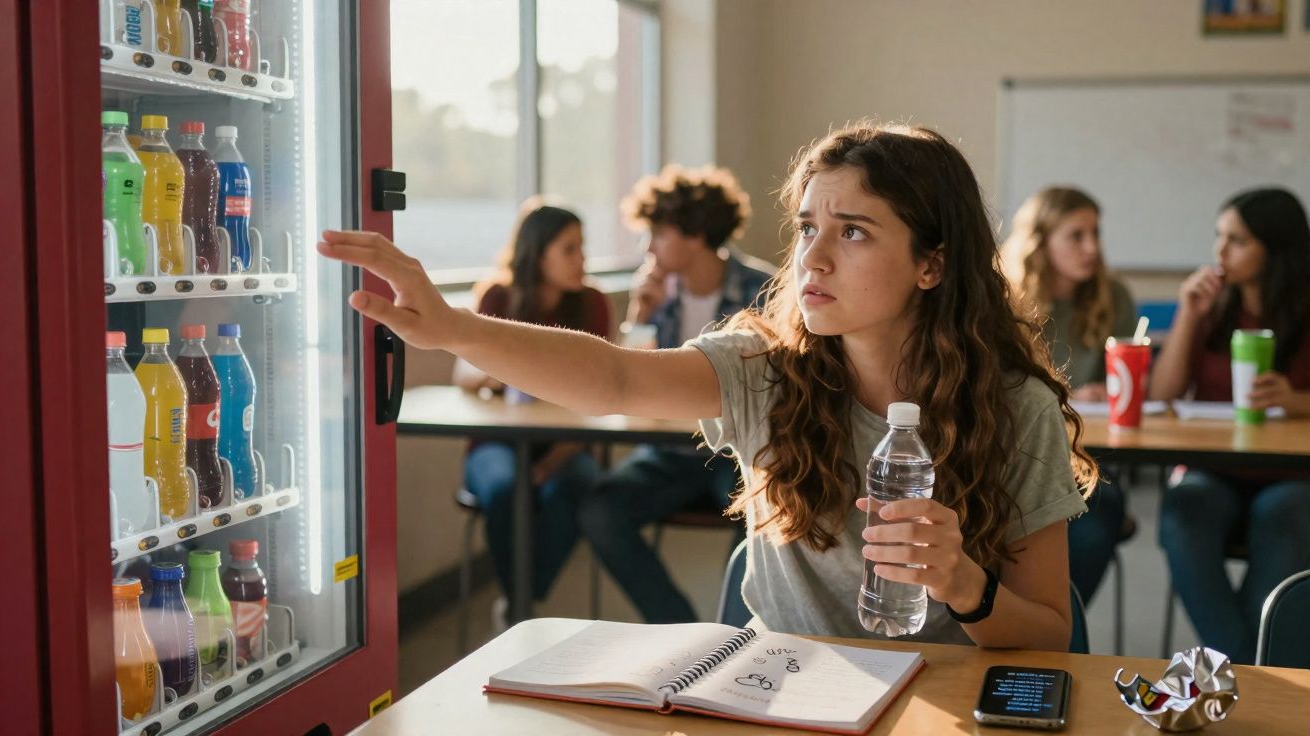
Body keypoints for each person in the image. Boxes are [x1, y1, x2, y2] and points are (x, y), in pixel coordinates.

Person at [319, 121, 1096, 650]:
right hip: (784, 695)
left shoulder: (1012, 409)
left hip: (945, 701)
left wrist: (962, 580)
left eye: (852, 231)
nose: (812, 259)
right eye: (806, 227)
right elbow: (617, 375)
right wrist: (456, 328)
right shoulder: (767, 368)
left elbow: (1049, 631)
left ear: (932, 263)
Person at [578, 164, 773, 623]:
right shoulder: (657, 293)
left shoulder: (763, 290)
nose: (649, 248)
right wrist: (639, 313)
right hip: (671, 452)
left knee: (762, 513)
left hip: (737, 453)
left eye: (658, 233)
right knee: (600, 509)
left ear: (696, 234)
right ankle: (681, 630)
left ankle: (736, 636)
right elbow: (629, 384)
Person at [1148, 187, 1310, 664]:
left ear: (1275, 247)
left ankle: (1243, 669)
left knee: (1286, 519)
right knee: (1183, 513)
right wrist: (1188, 316)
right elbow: (1162, 395)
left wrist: (1297, 400)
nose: (1220, 252)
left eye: (1237, 240)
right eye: (1219, 237)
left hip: (1292, 475)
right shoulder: (1212, 305)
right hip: (1213, 466)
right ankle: (1251, 667)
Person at [452, 202, 613, 614]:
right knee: (506, 489)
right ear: (538, 252)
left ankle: (519, 603)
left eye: (583, 248)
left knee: (577, 485)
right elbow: (463, 375)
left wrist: (552, 461)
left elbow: (603, 387)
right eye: (569, 249)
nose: (582, 260)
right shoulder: (498, 296)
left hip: (570, 441)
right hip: (498, 441)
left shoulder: (592, 303)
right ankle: (521, 606)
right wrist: (501, 373)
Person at [1001, 187, 1133, 606]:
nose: (1092, 247)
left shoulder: (1114, 297)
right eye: (1076, 235)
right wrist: (1069, 393)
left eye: (1095, 233)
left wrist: (1112, 392)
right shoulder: (1004, 298)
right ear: (1040, 240)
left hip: (1090, 457)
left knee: (1101, 504)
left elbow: (1137, 388)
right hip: (1020, 452)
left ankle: (1059, 623)